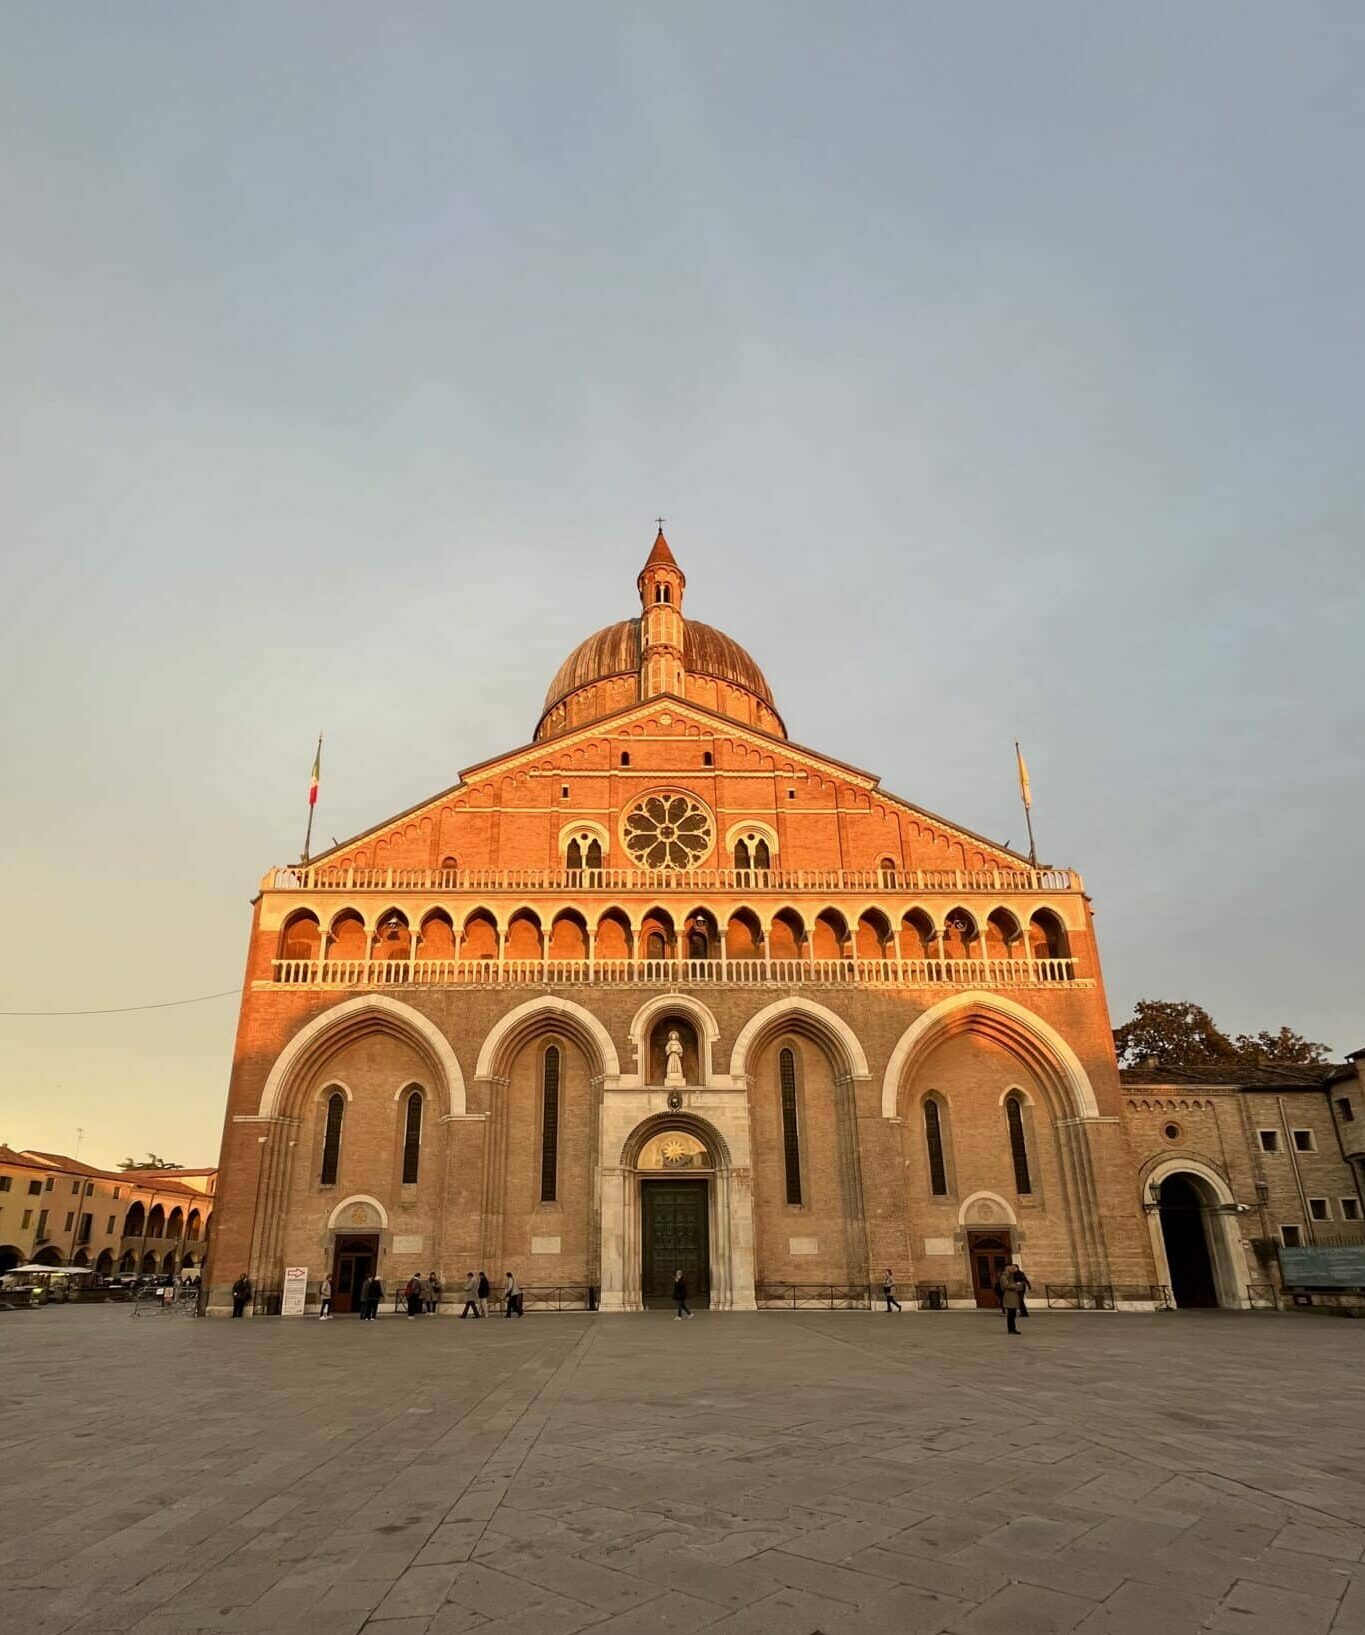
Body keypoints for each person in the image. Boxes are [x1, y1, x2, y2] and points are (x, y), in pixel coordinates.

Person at [995, 1265, 1024, 1335]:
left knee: (1013, 1314)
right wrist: (1017, 1285)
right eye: (1011, 1268)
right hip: (1009, 1296)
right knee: (1010, 1314)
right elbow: (1006, 1286)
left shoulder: (1011, 1275)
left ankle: (1013, 1328)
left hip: (1013, 1295)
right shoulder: (1004, 1276)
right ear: (1007, 1268)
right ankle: (1011, 1329)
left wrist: (1019, 1285)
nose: (1012, 1269)